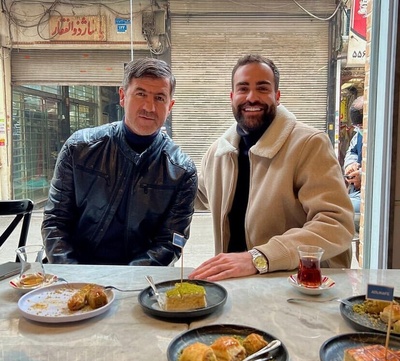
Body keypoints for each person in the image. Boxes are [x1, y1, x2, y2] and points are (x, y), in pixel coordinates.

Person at [189, 54, 355, 281]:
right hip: (231, 286)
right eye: (243, 88)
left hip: (293, 287)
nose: (251, 97)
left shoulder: (309, 144)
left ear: (277, 96)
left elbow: (336, 224)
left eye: (262, 88)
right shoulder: (219, 153)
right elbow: (196, 193)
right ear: (232, 97)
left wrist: (260, 258)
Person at [42, 58, 197, 266]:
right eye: (141, 94)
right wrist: (74, 276)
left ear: (170, 106)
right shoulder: (79, 148)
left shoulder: (181, 171)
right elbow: (55, 222)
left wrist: (126, 279)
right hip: (75, 273)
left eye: (159, 98)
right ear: (123, 96)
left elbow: (170, 243)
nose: (149, 107)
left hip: (142, 278)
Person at [343, 96, 363, 232]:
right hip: (356, 192)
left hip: (366, 196)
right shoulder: (359, 135)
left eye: (361, 126)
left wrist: (363, 176)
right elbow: (352, 151)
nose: (359, 129)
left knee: (342, 210)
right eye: (357, 127)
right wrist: (351, 165)